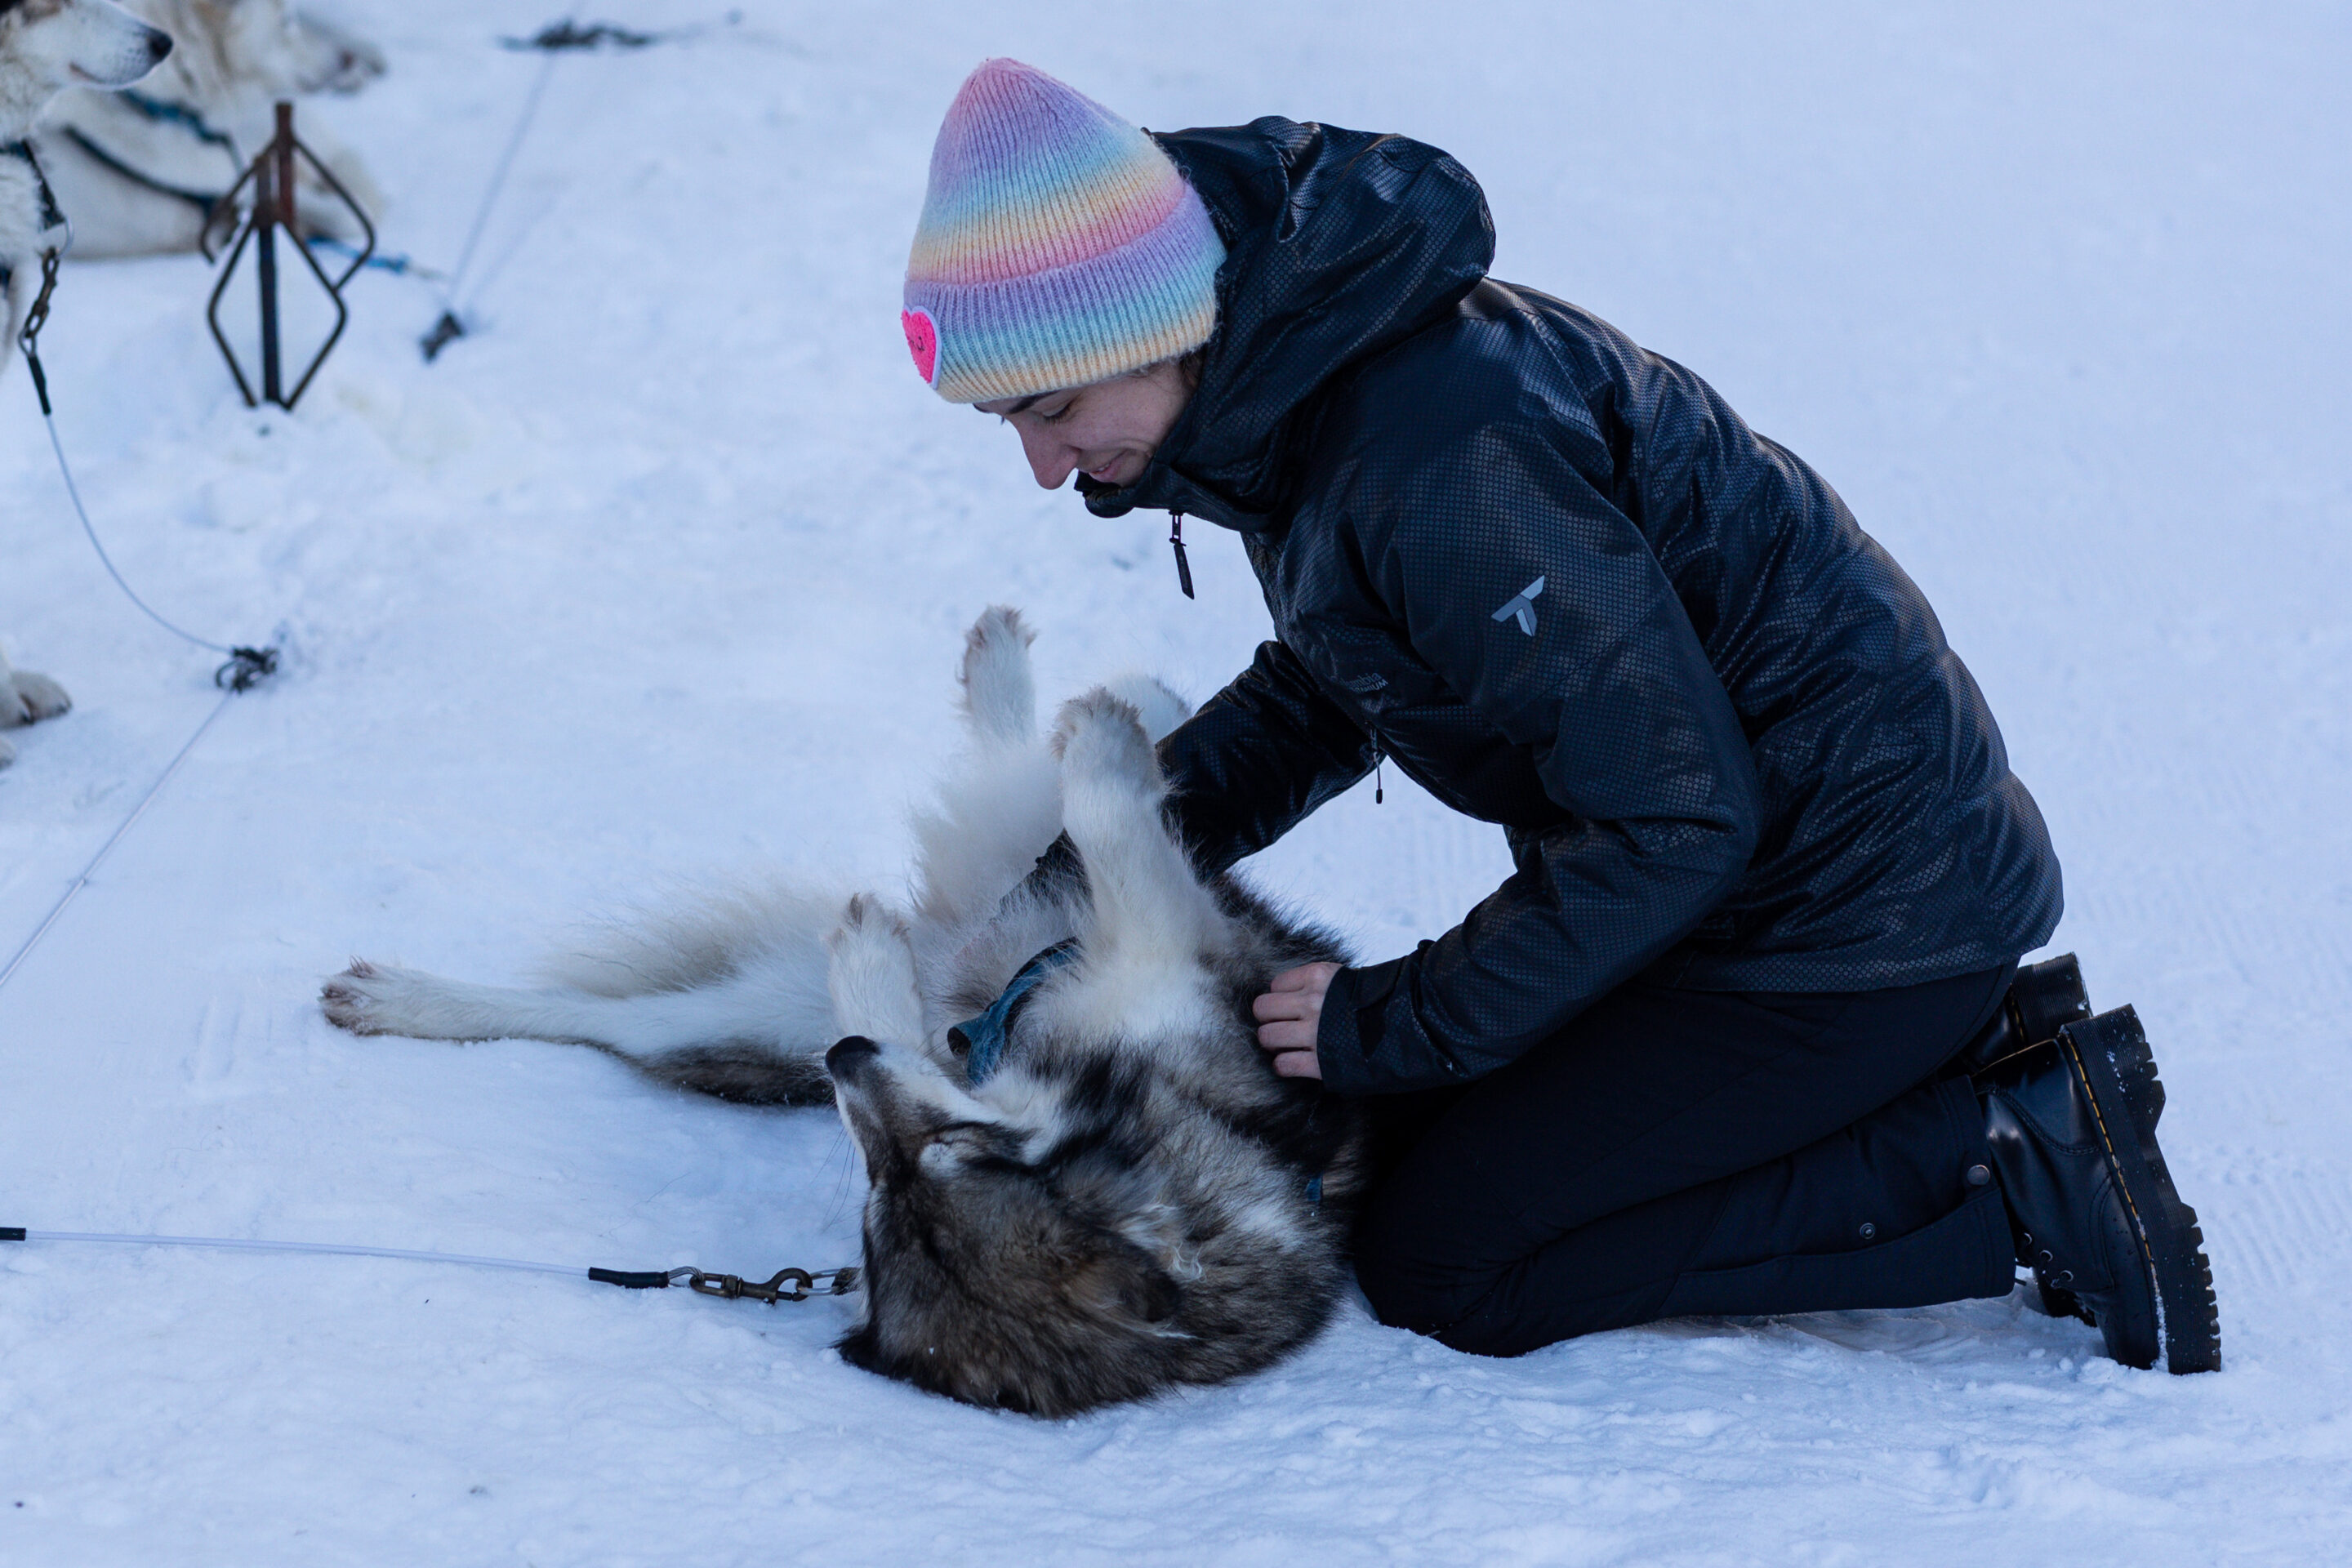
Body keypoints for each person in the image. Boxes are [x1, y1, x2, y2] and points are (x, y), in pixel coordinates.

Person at [898, 59, 2218, 1373]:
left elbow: (1674, 824)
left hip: (1848, 931)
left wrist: (1399, 1015)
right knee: (1385, 1129)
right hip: (1756, 895)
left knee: (1449, 1258)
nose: (1043, 466)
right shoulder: (1301, 393)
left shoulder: (1437, 461)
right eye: (1011, 423)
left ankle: (2016, 1156)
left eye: (1055, 409)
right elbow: (1333, 678)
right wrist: (1069, 889)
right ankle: (1917, 1085)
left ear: (1157, 324)